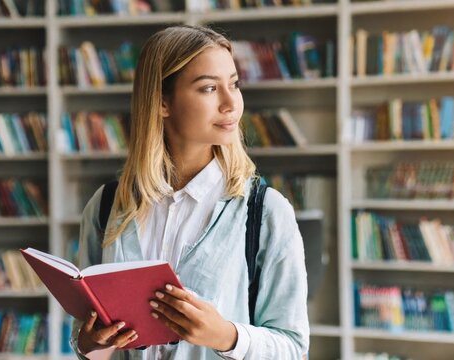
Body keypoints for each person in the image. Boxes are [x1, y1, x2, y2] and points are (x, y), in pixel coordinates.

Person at [71, 25, 309, 359]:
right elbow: (93, 348)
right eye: (210, 88)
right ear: (162, 102)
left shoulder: (265, 211)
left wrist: (226, 336)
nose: (231, 103)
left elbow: (294, 348)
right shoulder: (106, 206)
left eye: (234, 84)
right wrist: (90, 343)